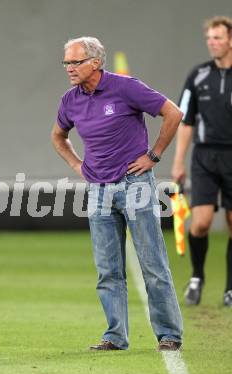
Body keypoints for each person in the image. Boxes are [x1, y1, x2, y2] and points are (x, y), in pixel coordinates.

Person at [51, 37, 183, 351]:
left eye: (75, 62)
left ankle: (169, 334)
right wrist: (78, 165)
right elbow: (58, 136)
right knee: (107, 268)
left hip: (134, 183)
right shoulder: (70, 100)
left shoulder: (125, 87)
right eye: (66, 63)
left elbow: (173, 113)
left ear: (95, 62)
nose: (69, 68)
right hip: (98, 189)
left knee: (153, 263)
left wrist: (154, 155)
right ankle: (115, 336)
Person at [172, 16, 232, 307]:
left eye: (218, 38)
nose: (212, 43)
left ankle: (230, 289)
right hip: (205, 156)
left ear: (230, 40)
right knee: (201, 223)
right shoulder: (197, 76)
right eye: (209, 38)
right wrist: (178, 162)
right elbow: (185, 121)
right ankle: (197, 277)